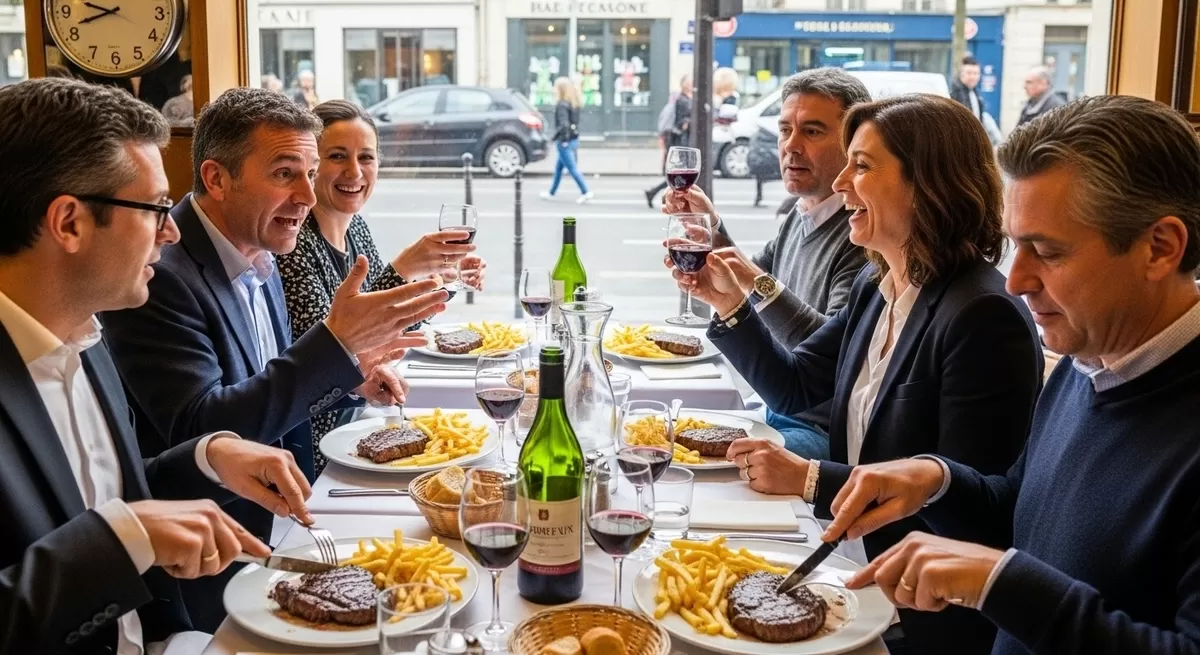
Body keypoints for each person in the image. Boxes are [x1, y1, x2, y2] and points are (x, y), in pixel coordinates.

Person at [819, 95, 1200, 655]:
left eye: (1045, 251)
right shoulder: (1086, 363)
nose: (1017, 281)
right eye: (1016, 244)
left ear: (1159, 248)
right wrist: (937, 478)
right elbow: (1017, 504)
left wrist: (1003, 582)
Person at [675, 94, 1043, 655]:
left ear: (929, 184)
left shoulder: (982, 315)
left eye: (863, 165)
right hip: (847, 567)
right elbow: (797, 385)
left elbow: (971, 513)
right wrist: (731, 308)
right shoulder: (880, 285)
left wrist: (809, 479)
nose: (841, 181)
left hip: (915, 613)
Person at [101, 87, 448, 630]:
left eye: (311, 172)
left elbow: (270, 383)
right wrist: (334, 345)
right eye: (286, 173)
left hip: (289, 525)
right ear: (216, 179)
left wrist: (346, 375)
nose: (309, 196)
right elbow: (204, 427)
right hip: (216, 565)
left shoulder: (257, 249)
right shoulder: (161, 277)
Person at [0, 77, 318, 654]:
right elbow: (114, 531)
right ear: (69, 222)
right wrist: (125, 540)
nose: (171, 230)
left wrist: (209, 456)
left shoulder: (87, 335)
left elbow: (102, 495)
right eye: (153, 209)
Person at [663, 67, 870, 459]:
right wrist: (711, 227)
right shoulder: (801, 212)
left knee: (685, 459)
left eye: (812, 131)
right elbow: (750, 277)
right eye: (785, 130)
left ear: (853, 144)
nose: (791, 146)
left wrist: (750, 279)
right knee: (659, 434)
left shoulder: (863, 236)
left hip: (822, 431)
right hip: (775, 407)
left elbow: (832, 354)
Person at [277, 99, 488, 473]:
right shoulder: (293, 243)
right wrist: (406, 266)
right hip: (314, 446)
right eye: (338, 156)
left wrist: (441, 281)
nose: (354, 172)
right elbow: (338, 346)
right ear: (312, 164)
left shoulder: (355, 227)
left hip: (356, 426)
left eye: (367, 158)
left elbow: (389, 332)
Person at [540, 77, 592, 203]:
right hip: (573, 139)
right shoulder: (573, 103)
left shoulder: (561, 105)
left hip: (565, 141)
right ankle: (551, 192)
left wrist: (558, 139)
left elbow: (563, 125)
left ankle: (585, 191)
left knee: (572, 168)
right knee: (558, 168)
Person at [644, 74, 693, 208]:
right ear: (683, 84)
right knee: (681, 174)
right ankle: (661, 195)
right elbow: (681, 122)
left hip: (682, 140)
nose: (691, 84)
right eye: (689, 82)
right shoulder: (682, 100)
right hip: (681, 141)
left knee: (681, 174)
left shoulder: (686, 99)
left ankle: (657, 193)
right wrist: (689, 122)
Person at [950, 56, 986, 121]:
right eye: (969, 73)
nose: (972, 77)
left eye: (975, 73)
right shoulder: (953, 94)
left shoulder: (975, 92)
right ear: (961, 74)